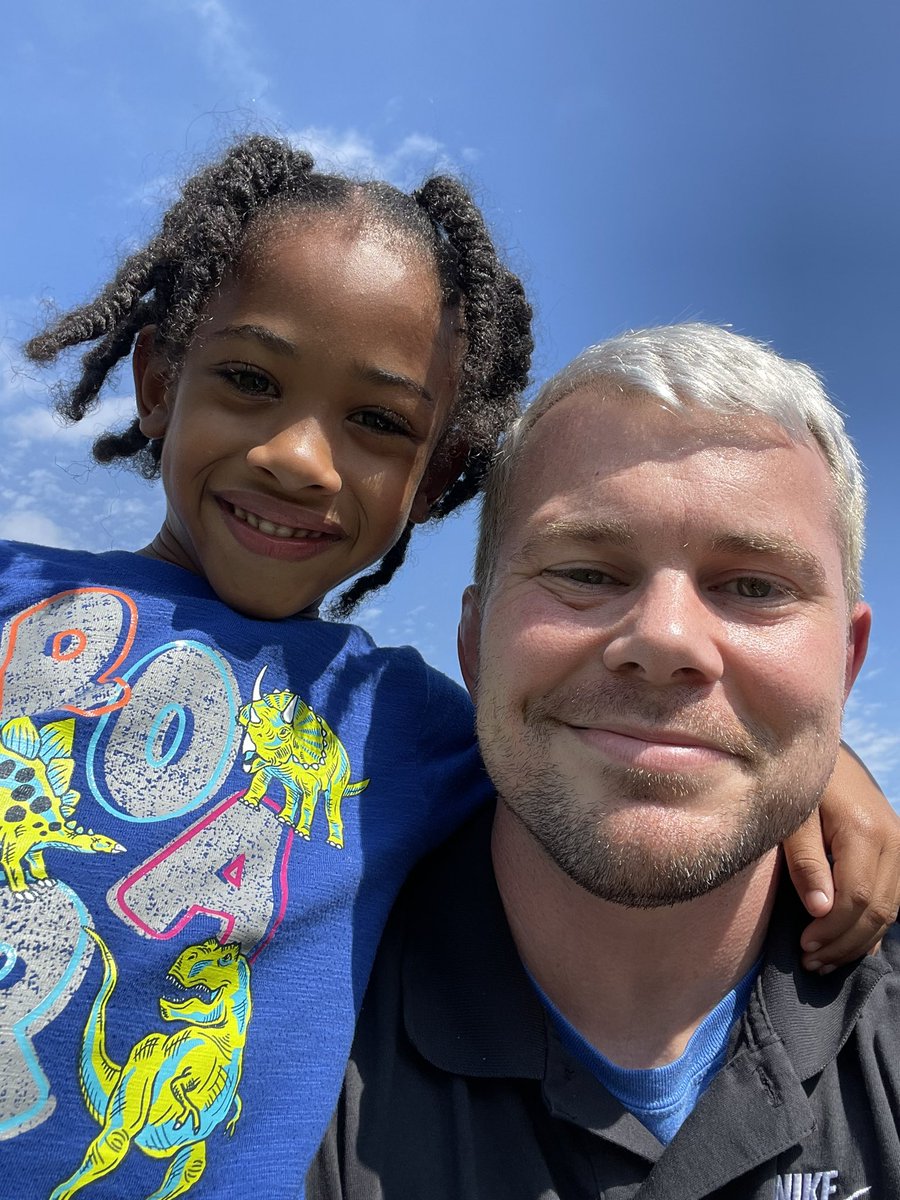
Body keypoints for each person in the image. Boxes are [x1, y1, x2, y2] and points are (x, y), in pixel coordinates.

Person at [0, 140, 891, 1197]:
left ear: (433, 481)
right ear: (156, 382)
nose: (298, 458)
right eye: (248, 380)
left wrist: (816, 766)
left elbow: (618, 754)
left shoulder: (394, 721)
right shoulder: (17, 594)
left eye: (377, 422)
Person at [309, 324, 900, 1200]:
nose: (664, 640)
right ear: (473, 641)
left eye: (753, 587)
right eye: (586, 573)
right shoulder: (271, 1022)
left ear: (845, 666)